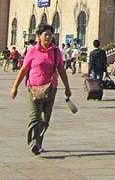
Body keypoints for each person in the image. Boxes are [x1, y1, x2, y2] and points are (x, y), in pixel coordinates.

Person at [10, 25, 72, 155]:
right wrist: (15, 87)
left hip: (50, 88)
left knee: (45, 119)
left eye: (50, 34)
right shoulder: (32, 51)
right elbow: (24, 70)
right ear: (39, 36)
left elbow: (61, 70)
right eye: (45, 35)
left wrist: (67, 87)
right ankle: (33, 143)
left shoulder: (56, 52)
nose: (48, 37)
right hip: (33, 88)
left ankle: (39, 141)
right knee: (35, 117)